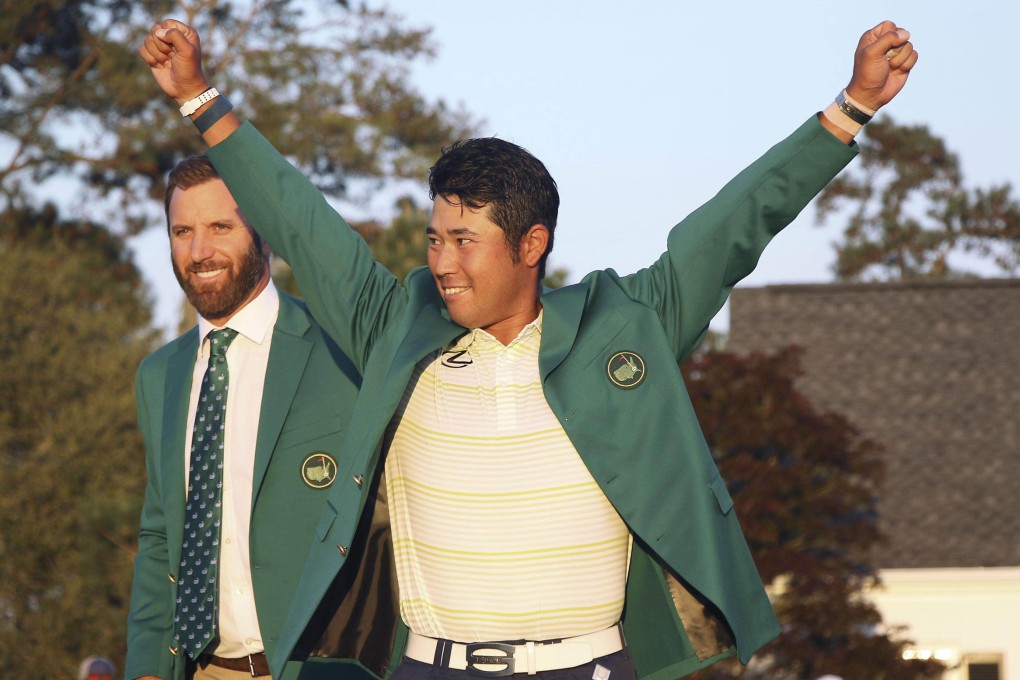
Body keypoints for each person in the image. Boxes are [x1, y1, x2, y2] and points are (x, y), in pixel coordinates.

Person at [138, 18, 917, 680]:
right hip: (431, 666)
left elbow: (734, 227)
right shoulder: (394, 330)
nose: (441, 261)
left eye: (464, 240)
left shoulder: (626, 325)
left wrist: (850, 108)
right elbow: (297, 217)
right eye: (435, 238)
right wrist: (200, 99)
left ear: (531, 244)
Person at [125, 157, 385, 680]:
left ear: (265, 236)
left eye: (221, 227)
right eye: (182, 231)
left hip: (320, 668)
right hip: (202, 669)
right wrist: (147, 666)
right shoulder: (159, 374)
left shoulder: (342, 353)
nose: (200, 251)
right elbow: (159, 535)